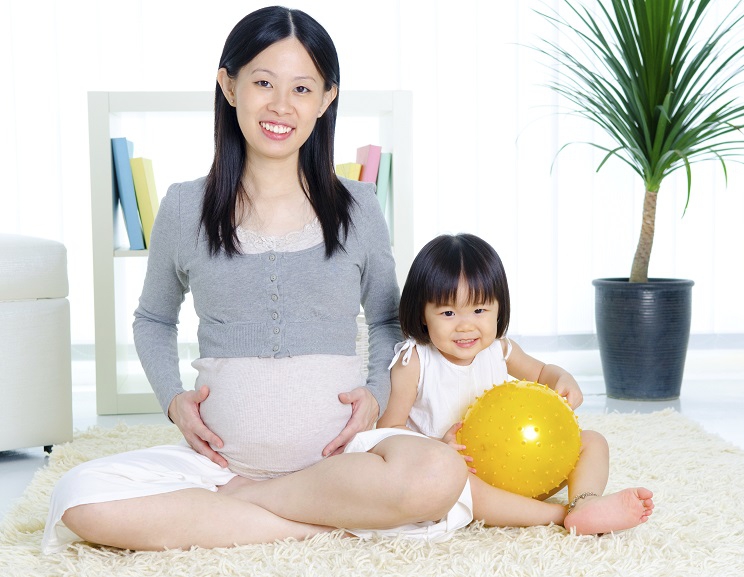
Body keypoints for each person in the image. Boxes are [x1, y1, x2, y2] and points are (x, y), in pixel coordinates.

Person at [41, 7, 469, 554]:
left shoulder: (358, 206)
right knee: (80, 499)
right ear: (229, 84)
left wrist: (374, 394)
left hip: (342, 463)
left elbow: (387, 318)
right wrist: (173, 399)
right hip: (220, 465)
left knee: (438, 472)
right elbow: (153, 318)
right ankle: (308, 520)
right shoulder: (183, 206)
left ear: (326, 99)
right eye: (263, 82)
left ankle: (247, 511)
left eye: (302, 88)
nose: (281, 106)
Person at [378, 233, 655, 535]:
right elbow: (389, 429)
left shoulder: (500, 350)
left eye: (480, 310)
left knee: (592, 441)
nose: (465, 325)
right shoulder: (416, 361)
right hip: (461, 480)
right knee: (463, 482)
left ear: (499, 308)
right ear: (421, 314)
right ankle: (564, 514)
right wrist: (439, 447)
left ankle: (585, 501)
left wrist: (563, 379)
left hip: (521, 470)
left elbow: (541, 374)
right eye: (447, 313)